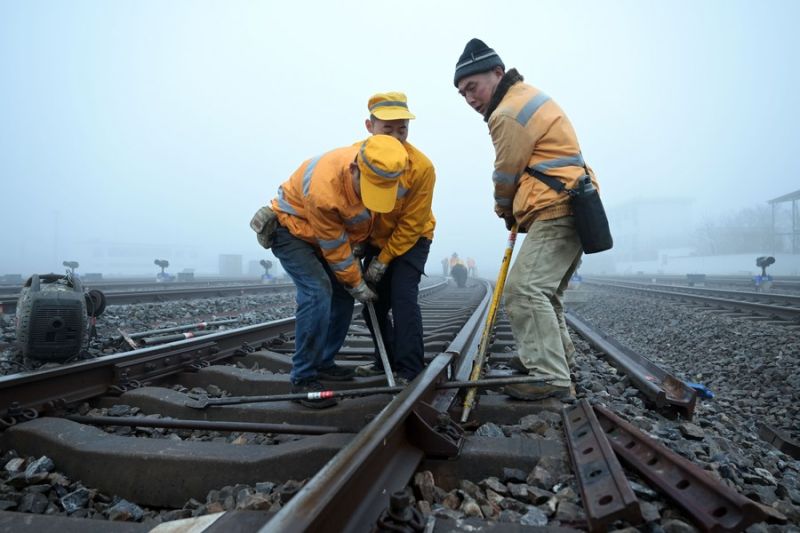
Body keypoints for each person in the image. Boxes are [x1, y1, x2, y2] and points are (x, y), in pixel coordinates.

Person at [454, 38, 600, 401]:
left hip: (557, 207)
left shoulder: (506, 112)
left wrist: (504, 209)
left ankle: (549, 375)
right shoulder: (527, 97)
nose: (469, 98)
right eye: (462, 93)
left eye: (472, 87)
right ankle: (554, 356)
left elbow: (506, 172)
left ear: (497, 73)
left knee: (523, 290)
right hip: (574, 204)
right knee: (546, 293)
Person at [269, 134, 408, 407]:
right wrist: (357, 283)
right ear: (355, 169)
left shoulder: (383, 168)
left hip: (322, 236)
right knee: (318, 291)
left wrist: (359, 254)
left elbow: (358, 225)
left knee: (342, 296)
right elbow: (334, 248)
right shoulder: (325, 189)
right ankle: (303, 377)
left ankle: (323, 362)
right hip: (291, 230)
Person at [355, 92, 436, 384]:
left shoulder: (422, 167)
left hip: (413, 239)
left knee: (403, 299)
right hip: (374, 240)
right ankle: (385, 361)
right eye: (387, 129)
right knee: (373, 304)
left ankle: (410, 369)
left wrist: (384, 260)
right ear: (370, 126)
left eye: (402, 130)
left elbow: (412, 224)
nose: (396, 137)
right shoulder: (356, 157)